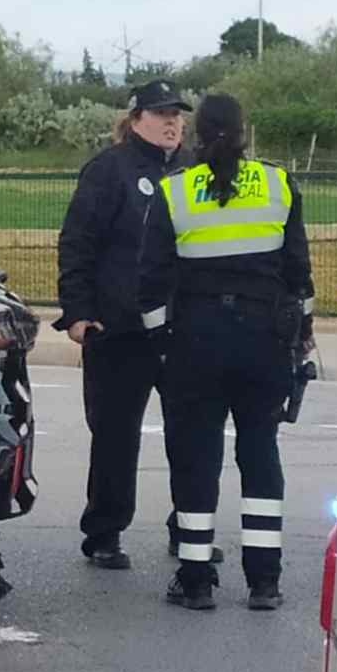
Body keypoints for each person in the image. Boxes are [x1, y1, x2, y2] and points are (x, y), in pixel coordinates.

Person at [137, 94, 314, 612]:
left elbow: (150, 282)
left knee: (198, 458)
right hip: (264, 340)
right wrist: (301, 336)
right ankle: (265, 580)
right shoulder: (279, 184)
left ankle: (195, 579)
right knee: (260, 453)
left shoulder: (175, 191)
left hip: (197, 338)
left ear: (198, 135)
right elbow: (299, 274)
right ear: (244, 132)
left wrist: (161, 343)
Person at [55, 79, 198, 570]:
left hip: (180, 329)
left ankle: (191, 529)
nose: (173, 123)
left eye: (178, 114)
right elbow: (78, 242)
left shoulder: (192, 169)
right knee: (116, 436)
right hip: (119, 327)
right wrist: (77, 311)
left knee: (190, 433)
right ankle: (104, 532)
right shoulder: (109, 170)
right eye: (161, 114)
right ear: (136, 118)